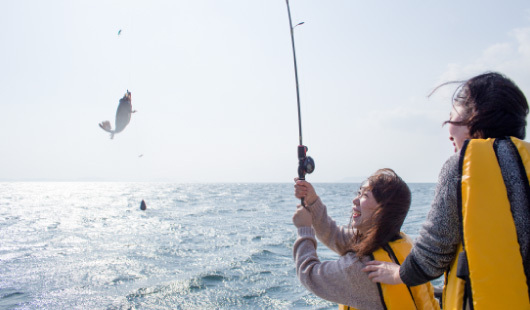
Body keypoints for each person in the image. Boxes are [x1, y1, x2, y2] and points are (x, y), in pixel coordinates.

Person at [362, 72, 530, 309]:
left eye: (451, 115)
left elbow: (432, 254)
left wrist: (399, 274)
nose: (448, 127)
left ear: (474, 115)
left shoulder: (462, 166)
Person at [293, 168, 440, 309]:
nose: (355, 200)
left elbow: (309, 275)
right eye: (359, 192)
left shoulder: (363, 269)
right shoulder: (402, 242)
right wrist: (312, 201)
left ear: (383, 210)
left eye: (365, 195)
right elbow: (335, 235)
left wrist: (304, 229)